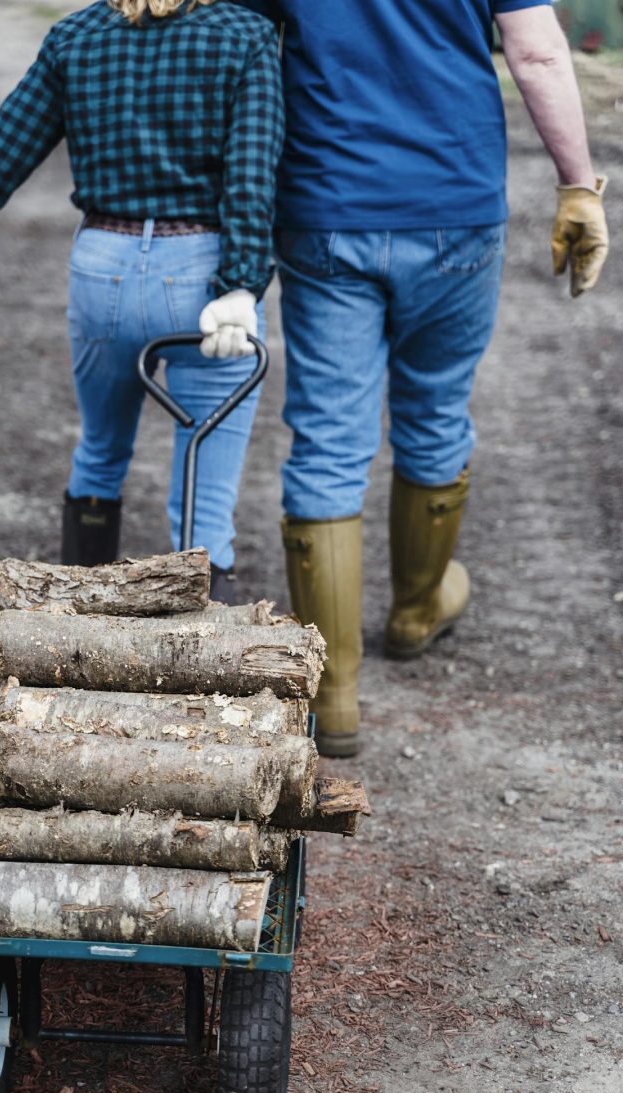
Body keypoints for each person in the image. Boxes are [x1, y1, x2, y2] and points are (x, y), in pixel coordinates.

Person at [236, 0, 608, 756]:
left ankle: (333, 695)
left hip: (323, 205)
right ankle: (414, 611)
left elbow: (233, 44)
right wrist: (577, 184)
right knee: (435, 410)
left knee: (329, 440)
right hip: (453, 205)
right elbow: (535, 52)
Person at [0, 0, 283, 602]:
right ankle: (207, 666)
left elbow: (0, 155)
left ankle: (81, 630)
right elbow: (251, 175)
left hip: (104, 269)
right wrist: (241, 282)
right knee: (205, 488)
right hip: (202, 275)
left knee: (101, 450)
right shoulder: (246, 36)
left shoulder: (76, 37)